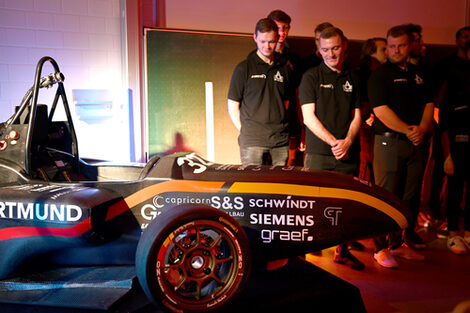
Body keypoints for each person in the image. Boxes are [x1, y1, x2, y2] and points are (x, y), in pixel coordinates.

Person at [368, 25, 435, 268]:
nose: (395, 50)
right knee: (387, 196)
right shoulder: (380, 75)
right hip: (389, 142)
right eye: (391, 46)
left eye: (401, 45)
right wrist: (408, 129)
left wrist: (423, 128)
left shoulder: (420, 73)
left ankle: (398, 244)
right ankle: (380, 248)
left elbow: (429, 104)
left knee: (410, 198)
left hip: (417, 142)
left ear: (411, 46)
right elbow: (381, 111)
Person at [299, 26, 363, 270]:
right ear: (319, 49)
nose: (330, 54)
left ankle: (342, 251)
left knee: (345, 206)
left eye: (335, 48)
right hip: (319, 153)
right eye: (325, 49)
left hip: (347, 152)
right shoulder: (311, 77)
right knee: (313, 205)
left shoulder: (353, 78)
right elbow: (308, 117)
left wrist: (346, 141)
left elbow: (357, 116)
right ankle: (308, 253)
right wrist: (334, 142)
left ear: (343, 46)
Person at [227, 18, 291, 166]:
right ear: (255, 38)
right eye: (262, 41)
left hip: (280, 141)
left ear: (277, 39)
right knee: (253, 187)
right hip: (252, 141)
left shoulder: (284, 69)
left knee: (279, 187)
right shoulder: (244, 68)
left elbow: (285, 102)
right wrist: (248, 130)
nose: (267, 46)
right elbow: (232, 106)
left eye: (271, 41)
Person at [439, 36, 470, 254]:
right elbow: (444, 127)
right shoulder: (456, 88)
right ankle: (452, 233)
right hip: (457, 149)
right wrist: (448, 156)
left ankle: (468, 233)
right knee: (455, 191)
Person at [267, 10, 304, 166]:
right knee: (262, 168)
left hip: (290, 124)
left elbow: (298, 93)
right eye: (278, 28)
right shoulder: (258, 57)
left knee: (288, 165)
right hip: (265, 125)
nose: (282, 32)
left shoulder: (293, 58)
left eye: (286, 28)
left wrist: (303, 128)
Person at [356, 37, 387, 182]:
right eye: (383, 49)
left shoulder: (385, 73)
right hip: (365, 130)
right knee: (365, 173)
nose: (388, 52)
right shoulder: (363, 74)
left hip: (377, 130)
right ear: (371, 53)